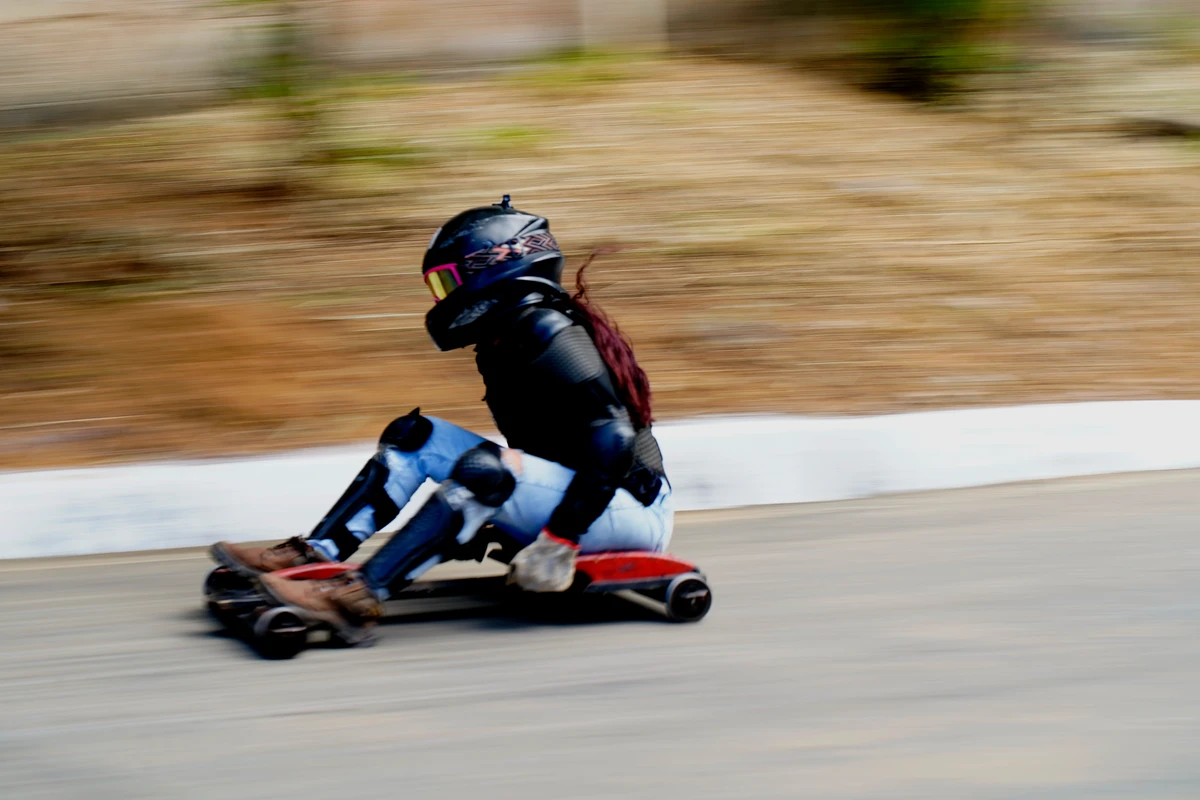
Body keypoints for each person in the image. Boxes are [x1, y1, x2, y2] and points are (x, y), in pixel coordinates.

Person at [208, 196, 671, 643]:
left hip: (626, 510)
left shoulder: (547, 331)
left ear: (494, 268)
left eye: (446, 284)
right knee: (414, 436)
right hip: (583, 497)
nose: (441, 299)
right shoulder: (504, 341)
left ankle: (354, 595)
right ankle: (316, 554)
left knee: (485, 471)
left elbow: (614, 441)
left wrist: (559, 538)